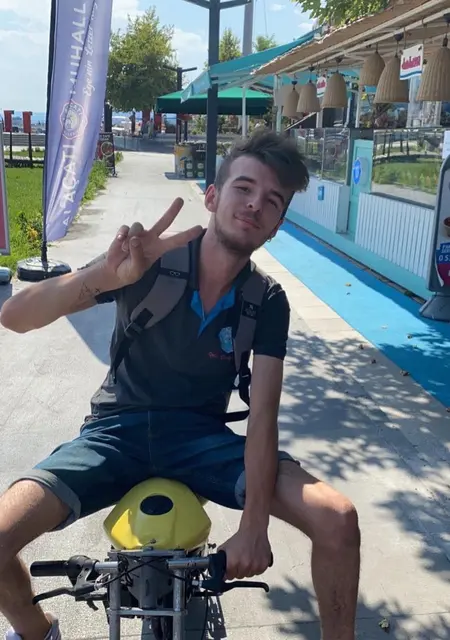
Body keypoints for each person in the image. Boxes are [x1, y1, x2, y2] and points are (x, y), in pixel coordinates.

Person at [0, 131, 360, 640]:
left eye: (272, 200)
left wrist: (254, 525)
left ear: (278, 224)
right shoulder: (148, 262)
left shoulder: (265, 299)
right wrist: (104, 275)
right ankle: (37, 631)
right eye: (244, 188)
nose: (255, 204)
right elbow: (15, 316)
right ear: (212, 196)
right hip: (114, 433)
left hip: (201, 441)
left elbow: (264, 415)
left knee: (338, 519)